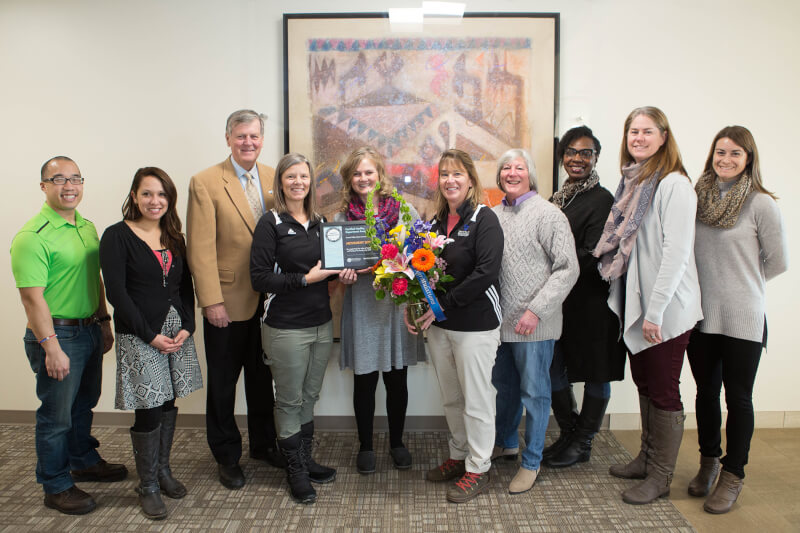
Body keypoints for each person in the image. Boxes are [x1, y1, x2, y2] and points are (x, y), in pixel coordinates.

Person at [11, 156, 127, 515]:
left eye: (75, 178)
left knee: (83, 403)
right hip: (57, 336)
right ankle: (56, 484)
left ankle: (83, 460)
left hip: (89, 329)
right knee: (56, 415)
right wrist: (51, 347)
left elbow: (95, 278)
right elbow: (32, 298)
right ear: (43, 186)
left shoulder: (86, 227)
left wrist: (104, 322)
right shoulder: (32, 237)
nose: (69, 186)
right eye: (58, 179)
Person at [598, 106, 702, 505]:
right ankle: (647, 457)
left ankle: (660, 476)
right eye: (632, 132)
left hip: (667, 309)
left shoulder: (674, 184)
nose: (638, 138)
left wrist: (655, 312)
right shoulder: (635, 183)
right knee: (645, 382)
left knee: (663, 390)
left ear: (663, 136)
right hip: (641, 306)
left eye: (646, 131)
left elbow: (676, 253)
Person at [686, 126, 788, 514]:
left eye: (735, 154)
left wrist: (742, 283)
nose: (725, 160)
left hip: (744, 316)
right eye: (720, 152)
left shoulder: (760, 203)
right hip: (701, 314)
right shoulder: (697, 197)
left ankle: (733, 474)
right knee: (705, 394)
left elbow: (778, 262)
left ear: (749, 160)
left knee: (738, 398)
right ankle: (709, 461)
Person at [100, 167, 203, 519]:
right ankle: (146, 485)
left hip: (175, 332)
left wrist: (188, 325)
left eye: (161, 195)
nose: (154, 201)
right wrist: (149, 335)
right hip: (141, 333)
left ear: (169, 199)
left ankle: (162, 471)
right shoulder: (116, 236)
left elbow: (184, 287)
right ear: (134, 196)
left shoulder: (174, 235)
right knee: (149, 405)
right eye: (147, 193)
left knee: (169, 400)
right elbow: (117, 292)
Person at [186, 109, 281, 490]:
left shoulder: (276, 177)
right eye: (241, 136)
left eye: (254, 136)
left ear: (262, 139)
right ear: (228, 138)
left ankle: (263, 445)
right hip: (227, 300)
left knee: (262, 380)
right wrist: (211, 301)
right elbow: (200, 249)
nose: (248, 143)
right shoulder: (206, 182)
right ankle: (227, 456)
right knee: (224, 384)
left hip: (270, 302)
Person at [405, 149, 503, 503]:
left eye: (457, 174)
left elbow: (486, 273)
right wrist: (415, 306)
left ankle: (479, 468)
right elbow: (422, 272)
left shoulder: (484, 218)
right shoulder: (432, 223)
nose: (450, 180)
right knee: (451, 398)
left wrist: (442, 305)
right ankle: (459, 456)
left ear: (471, 180)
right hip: (440, 327)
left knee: (476, 400)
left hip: (475, 326)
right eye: (444, 174)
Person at [250, 153, 341, 504]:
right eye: (291, 177)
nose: (298, 182)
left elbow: (333, 265)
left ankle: (304, 460)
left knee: (309, 397)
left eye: (304, 176)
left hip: (321, 324)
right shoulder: (270, 223)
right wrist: (304, 279)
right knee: (288, 400)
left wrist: (343, 271)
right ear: (281, 182)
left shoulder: (323, 223)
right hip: (285, 327)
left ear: (312, 182)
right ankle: (295, 471)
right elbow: (259, 278)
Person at [490, 149, 579, 494]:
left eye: (519, 167)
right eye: (506, 168)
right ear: (499, 177)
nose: (512, 173)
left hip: (534, 325)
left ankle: (531, 462)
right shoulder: (493, 216)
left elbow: (568, 268)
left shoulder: (549, 215)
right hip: (500, 325)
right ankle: (506, 442)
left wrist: (536, 310)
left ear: (531, 174)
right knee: (505, 389)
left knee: (535, 393)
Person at [334, 147, 425, 474]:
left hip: (396, 305)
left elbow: (421, 253)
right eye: (356, 173)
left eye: (368, 172)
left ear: (380, 174)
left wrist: (407, 267)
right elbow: (338, 263)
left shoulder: (403, 209)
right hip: (361, 303)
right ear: (349, 178)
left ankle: (397, 442)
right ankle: (366, 446)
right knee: (365, 381)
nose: (363, 178)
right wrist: (341, 274)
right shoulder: (342, 218)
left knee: (397, 379)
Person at [544, 127, 626, 469]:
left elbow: (593, 252)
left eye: (586, 153)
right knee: (552, 368)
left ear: (595, 158)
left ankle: (583, 441)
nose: (577, 158)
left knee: (597, 371)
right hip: (562, 301)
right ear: (562, 156)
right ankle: (570, 433)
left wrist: (548, 266)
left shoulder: (603, 199)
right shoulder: (559, 197)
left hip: (593, 301)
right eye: (571, 152)